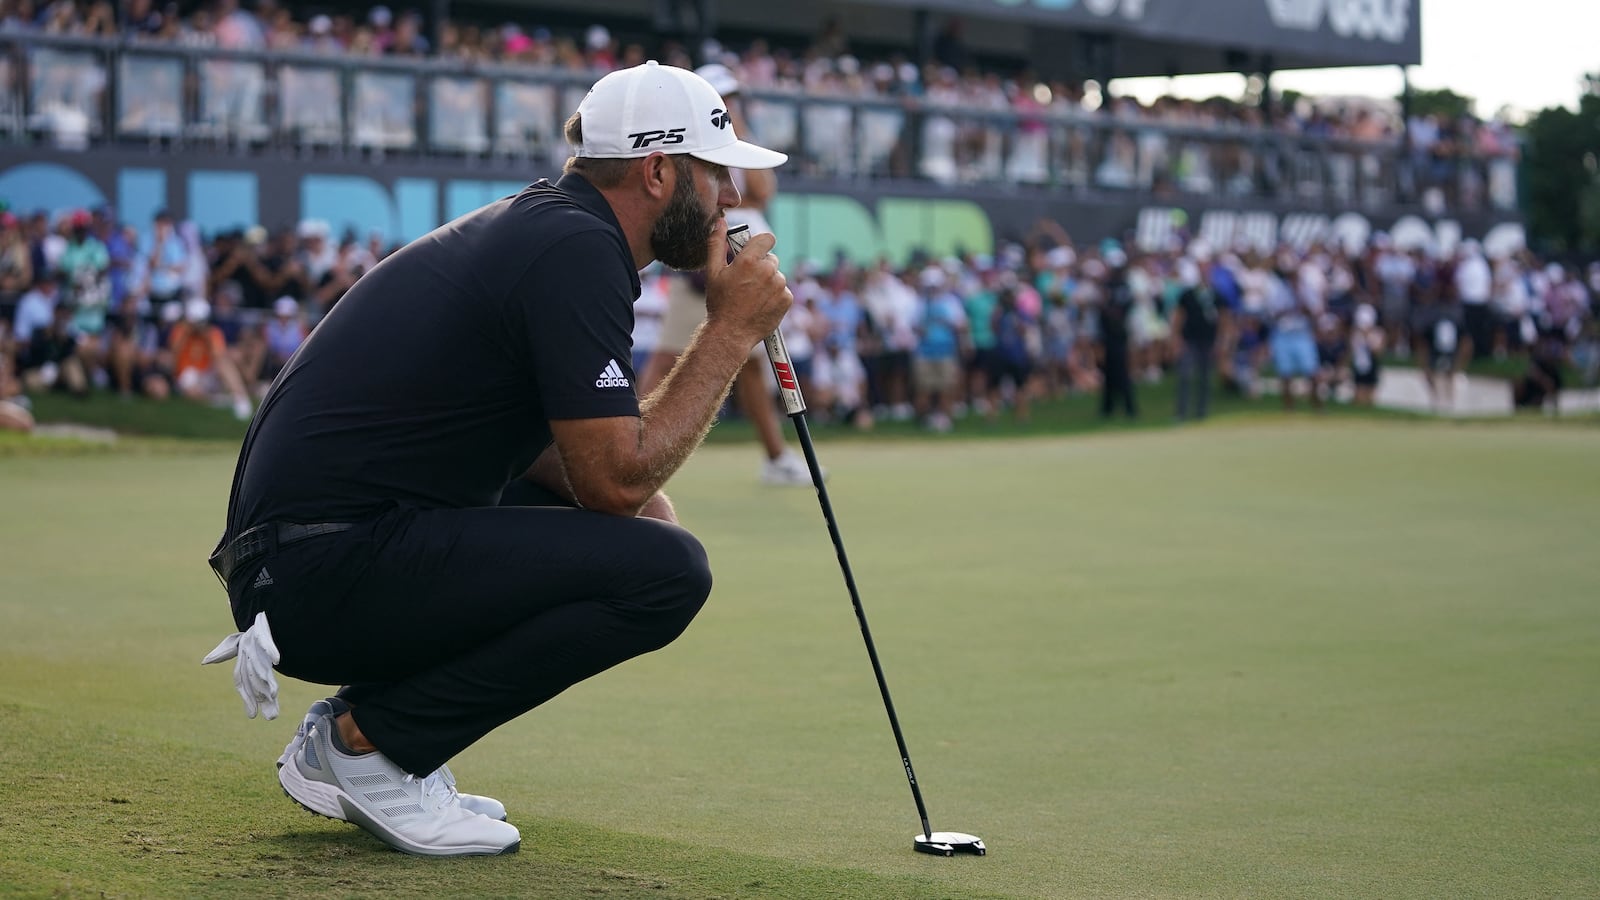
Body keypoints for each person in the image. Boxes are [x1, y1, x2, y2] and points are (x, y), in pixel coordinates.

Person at [202, 60, 791, 858]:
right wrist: (730, 331)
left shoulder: (554, 228)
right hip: (319, 570)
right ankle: (368, 745)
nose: (731, 197)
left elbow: (574, 457)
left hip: (307, 561)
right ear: (659, 172)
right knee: (667, 572)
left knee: (638, 532)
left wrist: (625, 497)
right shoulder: (576, 248)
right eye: (717, 172)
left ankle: (368, 736)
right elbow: (617, 479)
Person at [635, 62, 813, 486]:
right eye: (721, 97)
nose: (728, 104)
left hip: (733, 260)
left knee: (750, 368)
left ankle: (776, 457)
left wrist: (735, 133)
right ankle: (633, 443)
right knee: (663, 362)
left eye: (731, 97)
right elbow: (749, 194)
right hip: (696, 264)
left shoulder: (733, 139)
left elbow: (761, 191)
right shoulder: (688, 147)